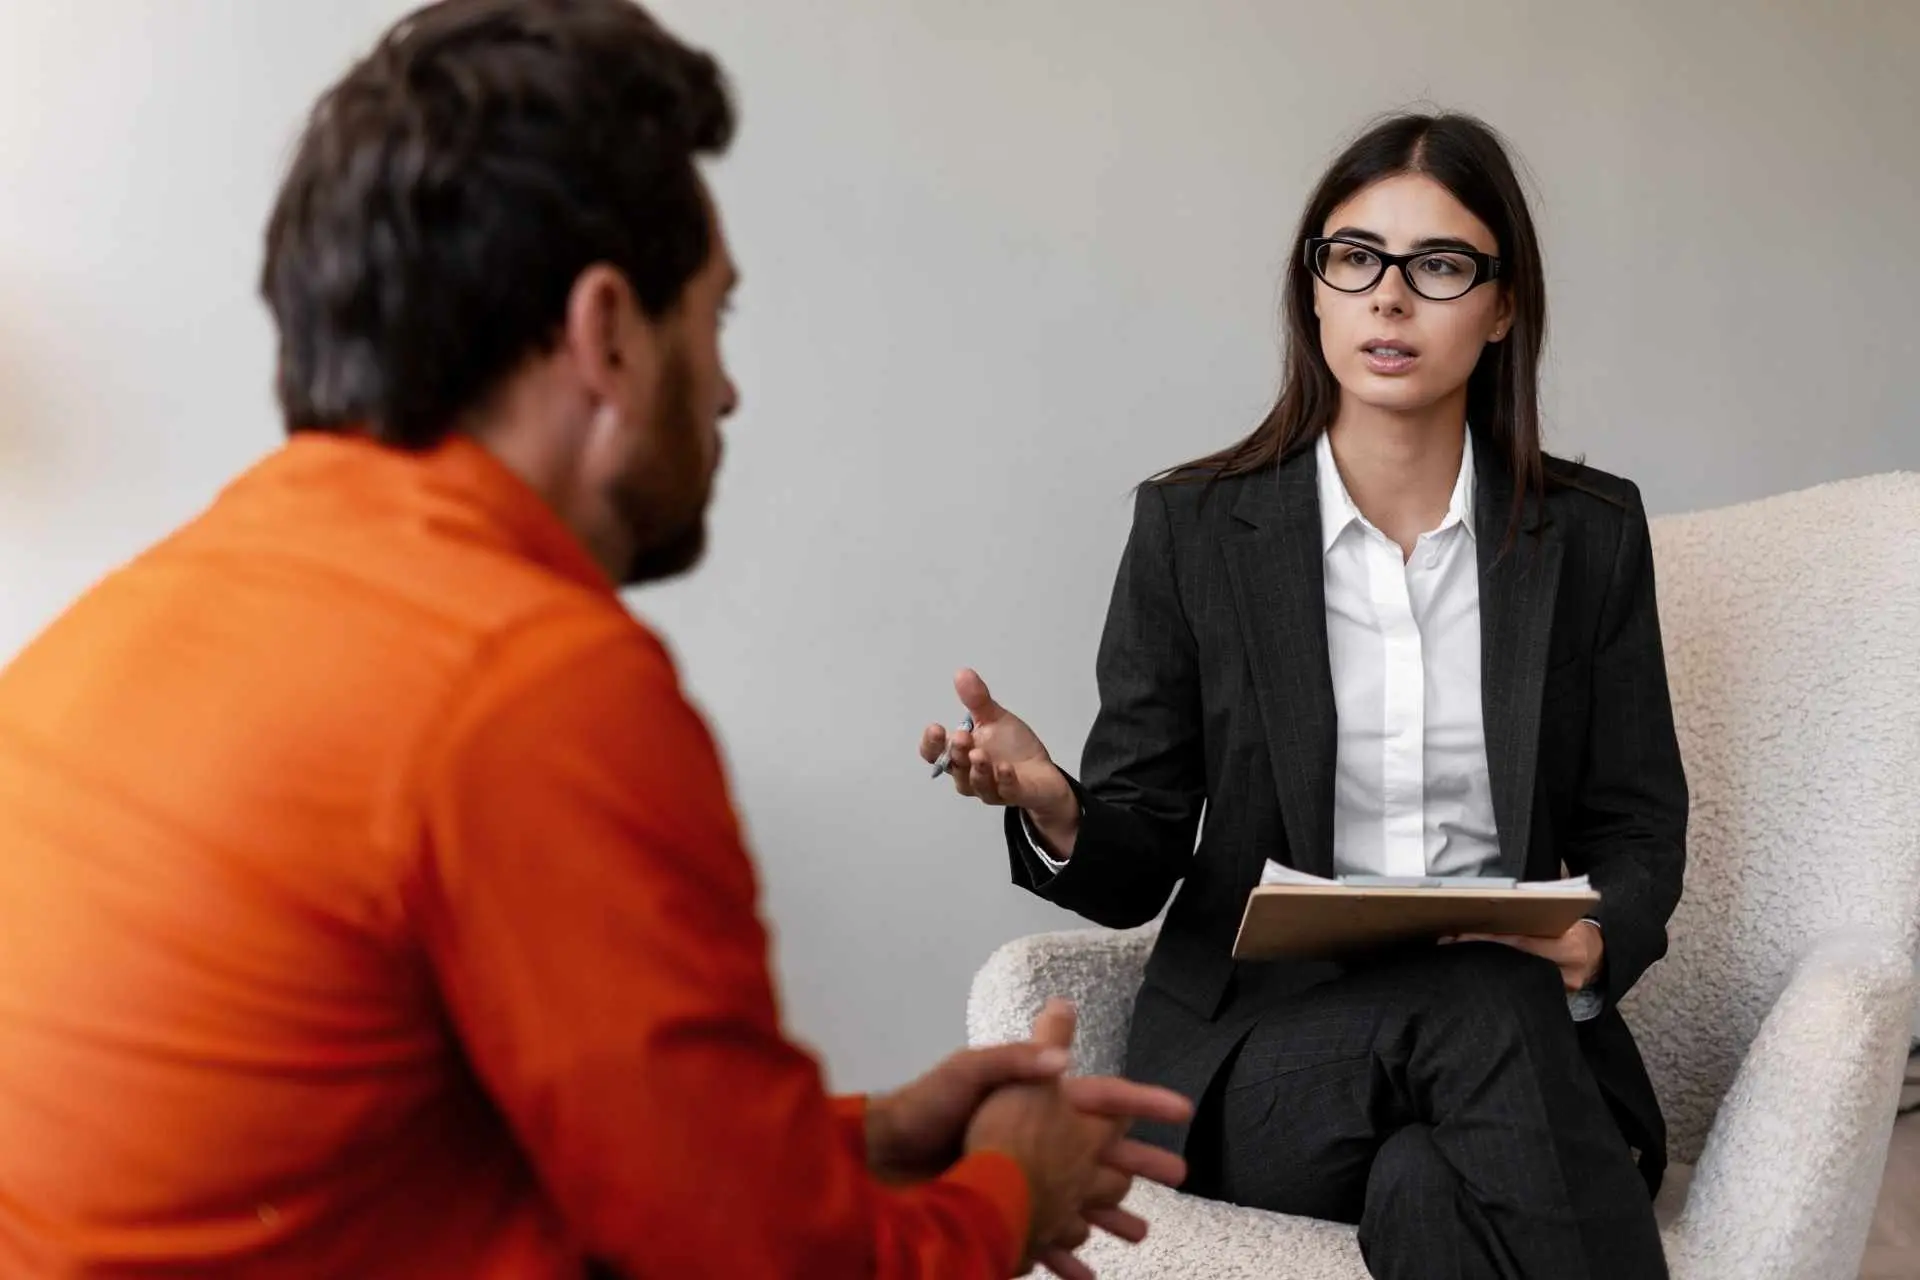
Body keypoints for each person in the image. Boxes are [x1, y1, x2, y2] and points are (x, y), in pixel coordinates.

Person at [0, 2, 1196, 1277]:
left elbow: (505, 1158)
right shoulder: (528, 683)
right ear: (610, 331)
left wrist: (872, 1136)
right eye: (715, 319)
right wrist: (1012, 1187)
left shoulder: (118, 624)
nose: (726, 389)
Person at [923, 111, 1685, 1280]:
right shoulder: (1193, 530)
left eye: (1439, 266)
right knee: (1481, 1000)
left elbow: (1636, 823)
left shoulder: (1588, 534)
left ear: (1502, 306)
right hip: (1261, 1054)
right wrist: (1057, 804)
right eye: (1356, 258)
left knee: (1425, 1183)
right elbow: (1137, 859)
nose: (1391, 297)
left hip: (1516, 1049)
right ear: (1314, 291)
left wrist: (1589, 941)